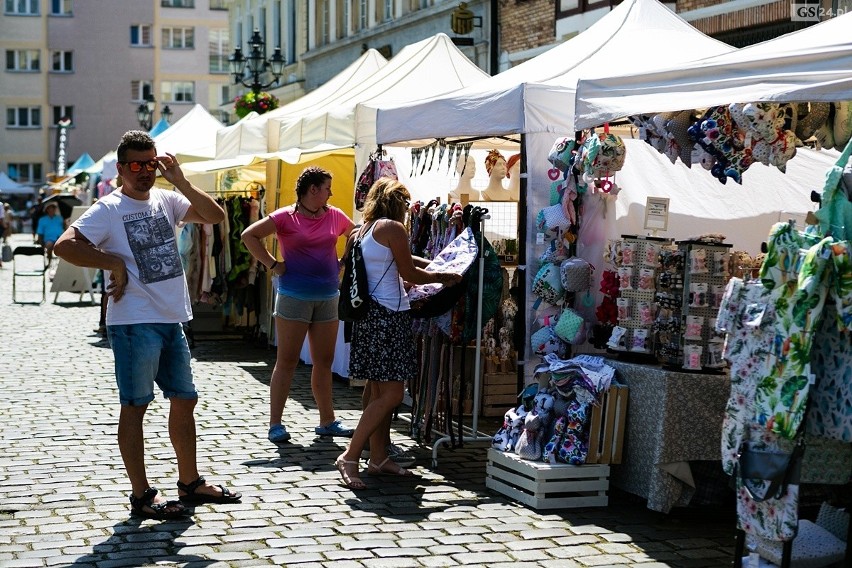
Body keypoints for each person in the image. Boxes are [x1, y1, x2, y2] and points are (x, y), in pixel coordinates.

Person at [53, 130, 241, 520]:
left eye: (150, 163)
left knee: (185, 399)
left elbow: (215, 217)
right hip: (134, 321)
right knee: (136, 406)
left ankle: (189, 482)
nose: (144, 171)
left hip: (171, 318)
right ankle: (141, 495)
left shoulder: (167, 198)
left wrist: (182, 181)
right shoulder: (108, 208)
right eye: (136, 165)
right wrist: (114, 263)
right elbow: (65, 245)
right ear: (121, 168)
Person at [334, 178, 462, 490]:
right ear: (396, 203)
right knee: (391, 394)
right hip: (388, 317)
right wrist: (443, 276)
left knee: (378, 393)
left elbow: (400, 261)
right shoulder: (393, 228)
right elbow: (409, 273)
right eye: (405, 204)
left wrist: (435, 263)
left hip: (367, 317)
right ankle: (350, 456)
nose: (407, 209)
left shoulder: (360, 232)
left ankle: (378, 458)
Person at [241, 166, 356, 445]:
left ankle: (327, 421)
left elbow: (356, 236)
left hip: (328, 296)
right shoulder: (285, 217)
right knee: (287, 361)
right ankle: (275, 424)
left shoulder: (335, 215)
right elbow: (249, 236)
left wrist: (343, 263)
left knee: (324, 362)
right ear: (313, 189)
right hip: (294, 297)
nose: (330, 192)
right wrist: (273, 265)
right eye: (327, 187)